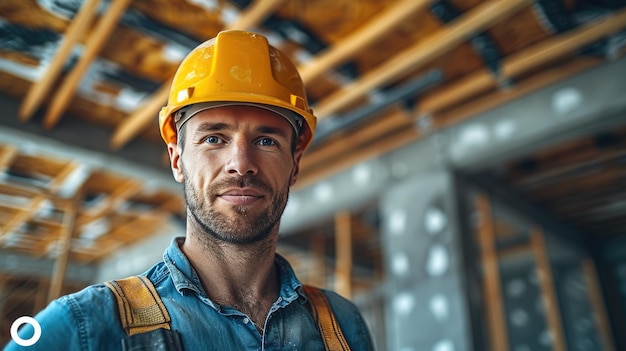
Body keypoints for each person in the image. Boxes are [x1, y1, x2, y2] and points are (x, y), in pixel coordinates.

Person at [5, 30, 374, 350]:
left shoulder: (342, 326)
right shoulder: (83, 326)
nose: (240, 163)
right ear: (177, 160)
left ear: (294, 163)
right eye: (214, 138)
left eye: (266, 140)